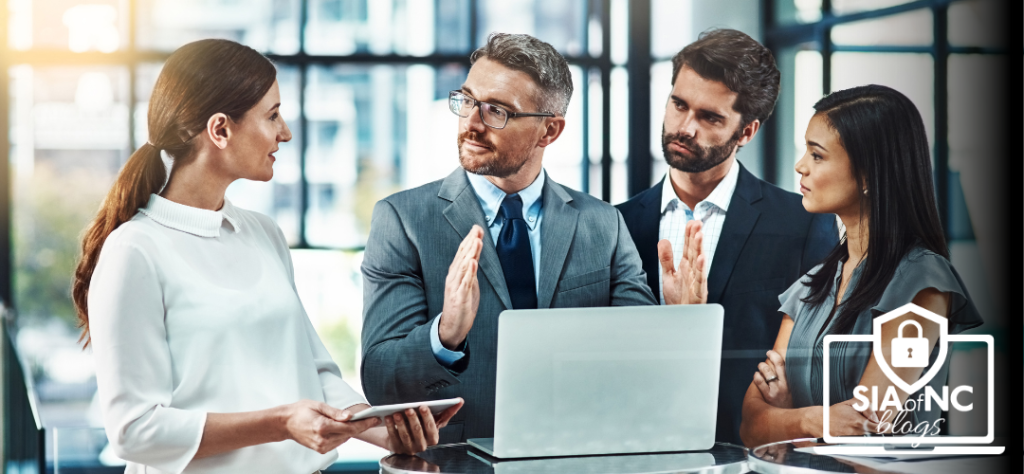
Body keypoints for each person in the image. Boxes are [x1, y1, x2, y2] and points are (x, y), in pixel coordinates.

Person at [73, 39, 461, 473]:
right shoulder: (135, 250)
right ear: (220, 130)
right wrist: (280, 423)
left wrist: (380, 428)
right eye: (272, 115)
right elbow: (134, 430)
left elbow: (315, 374)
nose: (286, 132)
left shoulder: (263, 234)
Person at [359, 33, 703, 443]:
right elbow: (380, 380)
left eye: (496, 111)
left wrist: (680, 325)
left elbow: (640, 371)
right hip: (454, 464)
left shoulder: (603, 224)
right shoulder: (403, 220)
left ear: (549, 131)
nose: (471, 122)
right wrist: (446, 332)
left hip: (576, 461)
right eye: (466, 100)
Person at [615, 28, 838, 445]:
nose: (685, 127)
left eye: (710, 117)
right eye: (678, 105)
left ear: (747, 132)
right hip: (635, 448)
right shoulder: (615, 225)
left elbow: (817, 362)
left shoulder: (802, 224)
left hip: (750, 453)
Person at [739, 85, 983, 447]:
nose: (800, 165)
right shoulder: (811, 285)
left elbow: (864, 426)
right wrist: (816, 420)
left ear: (869, 175)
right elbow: (749, 426)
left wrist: (788, 418)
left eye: (817, 155)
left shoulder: (922, 283)